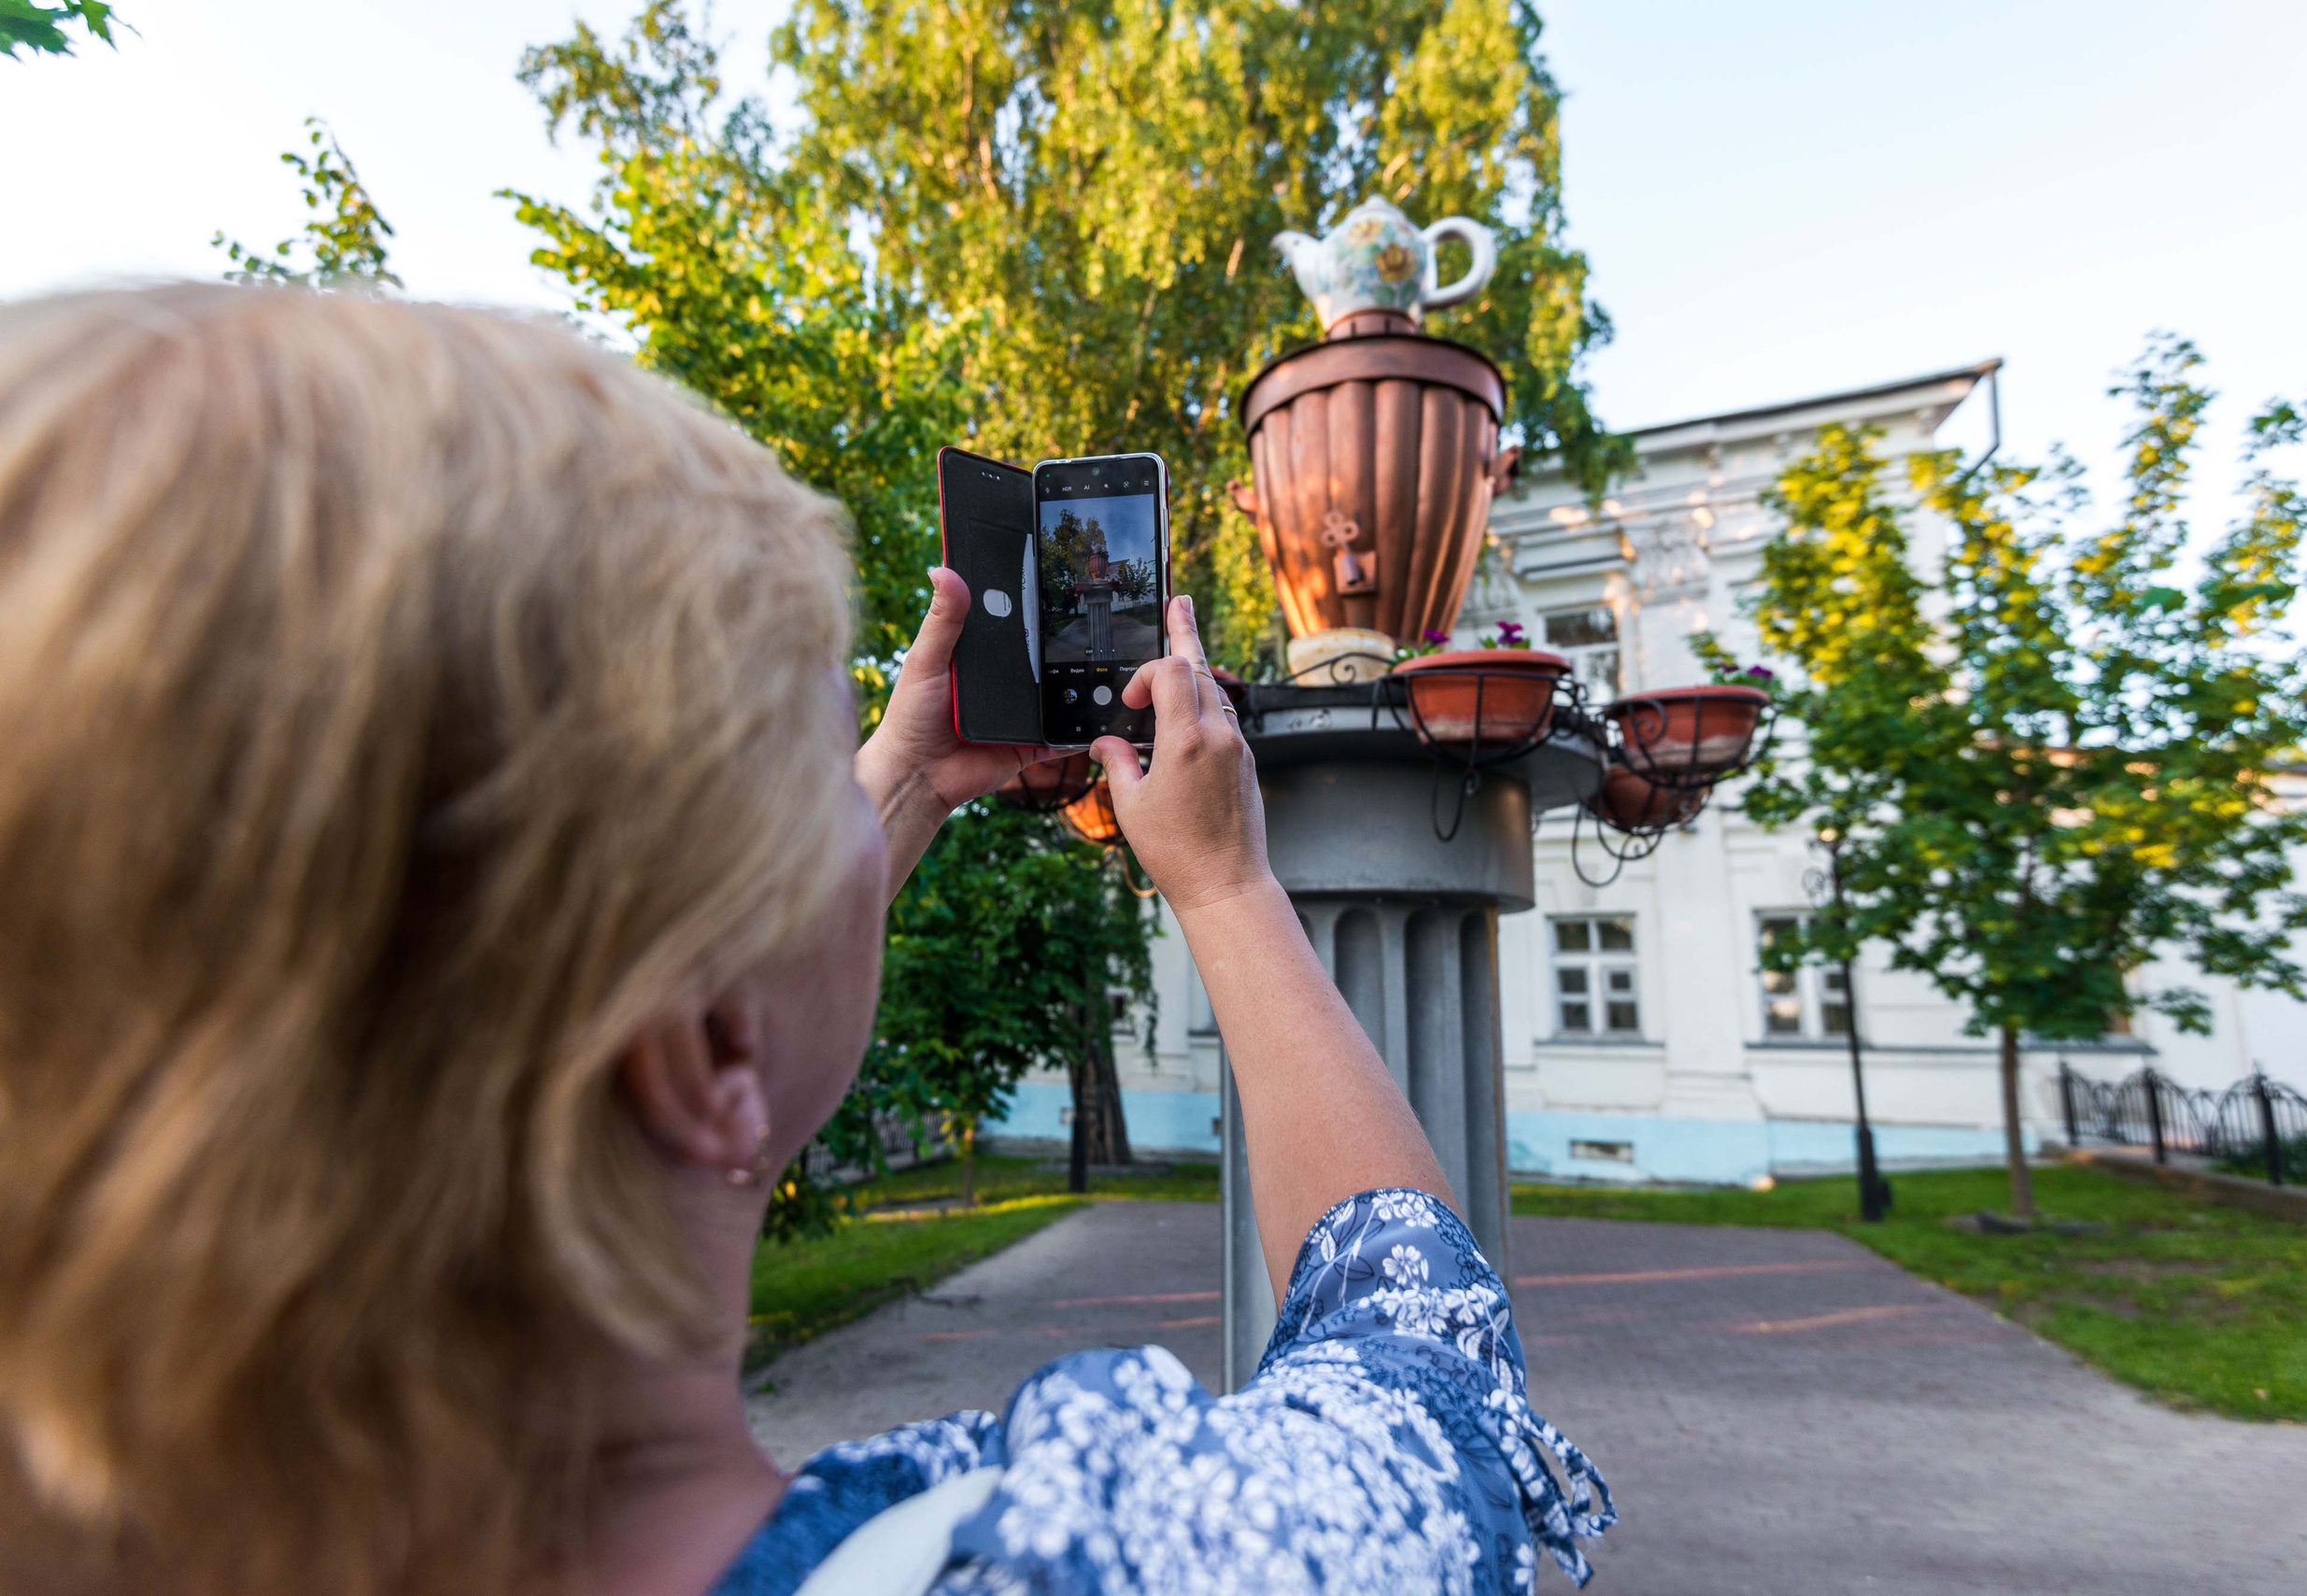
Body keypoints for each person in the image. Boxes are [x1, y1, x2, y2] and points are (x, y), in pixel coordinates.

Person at [0, 286, 1606, 1596]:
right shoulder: (1085, 1555)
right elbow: (1421, 1354)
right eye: (804, 772)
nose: (852, 785)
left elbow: (655, 1058)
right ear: (703, 1050)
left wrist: (894, 787)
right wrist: (1229, 886)